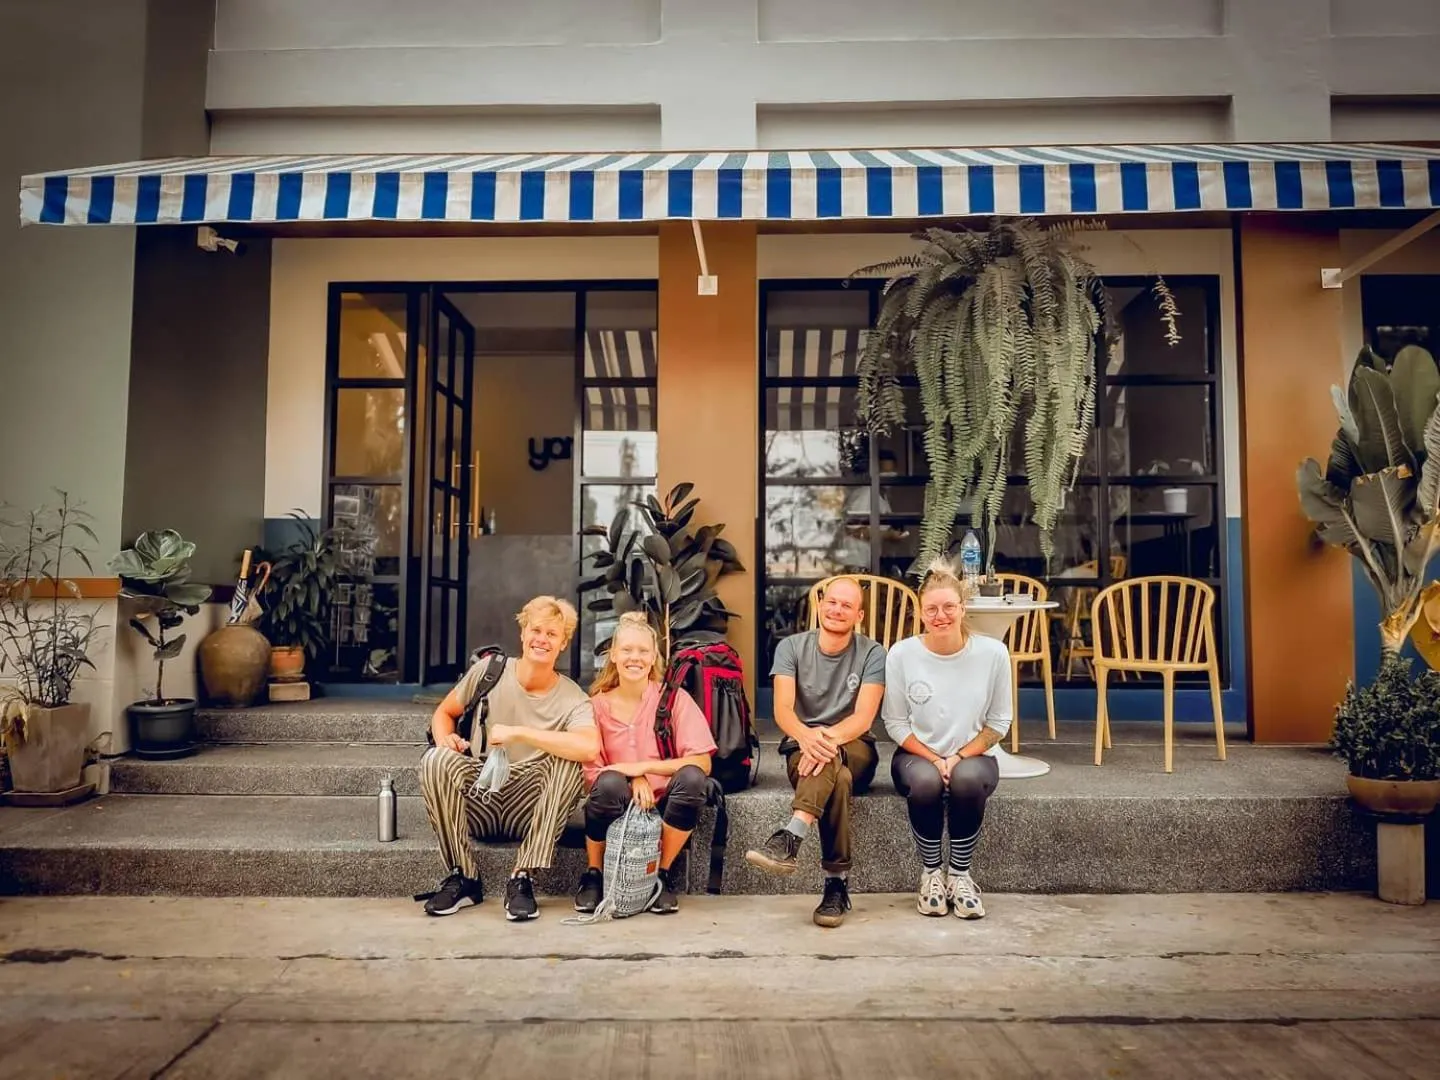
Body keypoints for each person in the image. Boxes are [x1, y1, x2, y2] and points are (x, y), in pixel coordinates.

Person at [418, 595, 599, 922]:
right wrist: (446, 738)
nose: (542, 639)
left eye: (552, 634)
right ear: (523, 633)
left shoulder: (573, 697)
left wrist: (520, 733)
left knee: (569, 762)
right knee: (434, 760)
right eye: (536, 630)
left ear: (563, 643)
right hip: (481, 796)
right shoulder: (490, 671)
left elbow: (589, 748)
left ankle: (522, 876)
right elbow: (445, 712)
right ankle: (464, 876)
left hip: (528, 809)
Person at [744, 576, 886, 928]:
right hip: (803, 746)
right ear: (820, 605)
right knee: (837, 777)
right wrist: (808, 738)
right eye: (832, 602)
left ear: (859, 615)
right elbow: (783, 712)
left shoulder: (872, 653)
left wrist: (824, 740)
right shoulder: (790, 647)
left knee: (835, 759)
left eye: (847, 606)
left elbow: (863, 717)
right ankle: (836, 886)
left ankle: (792, 834)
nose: (837, 609)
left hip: (856, 746)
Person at [883, 556, 1010, 919]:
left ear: (962, 607)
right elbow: (894, 722)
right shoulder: (902, 654)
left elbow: (999, 723)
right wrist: (936, 759)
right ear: (920, 613)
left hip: (973, 756)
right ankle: (931, 875)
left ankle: (959, 875)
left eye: (949, 607)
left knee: (967, 779)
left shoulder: (993, 654)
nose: (941, 616)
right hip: (916, 755)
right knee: (925, 782)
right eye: (931, 609)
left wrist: (956, 758)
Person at [575, 612, 716, 915]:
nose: (634, 658)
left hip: (663, 802)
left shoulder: (672, 699)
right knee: (608, 783)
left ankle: (659, 876)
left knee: (692, 779)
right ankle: (594, 874)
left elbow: (701, 760)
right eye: (626, 650)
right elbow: (591, 771)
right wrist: (632, 779)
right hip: (615, 800)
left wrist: (643, 770)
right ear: (613, 654)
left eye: (642, 651)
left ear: (654, 657)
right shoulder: (597, 705)